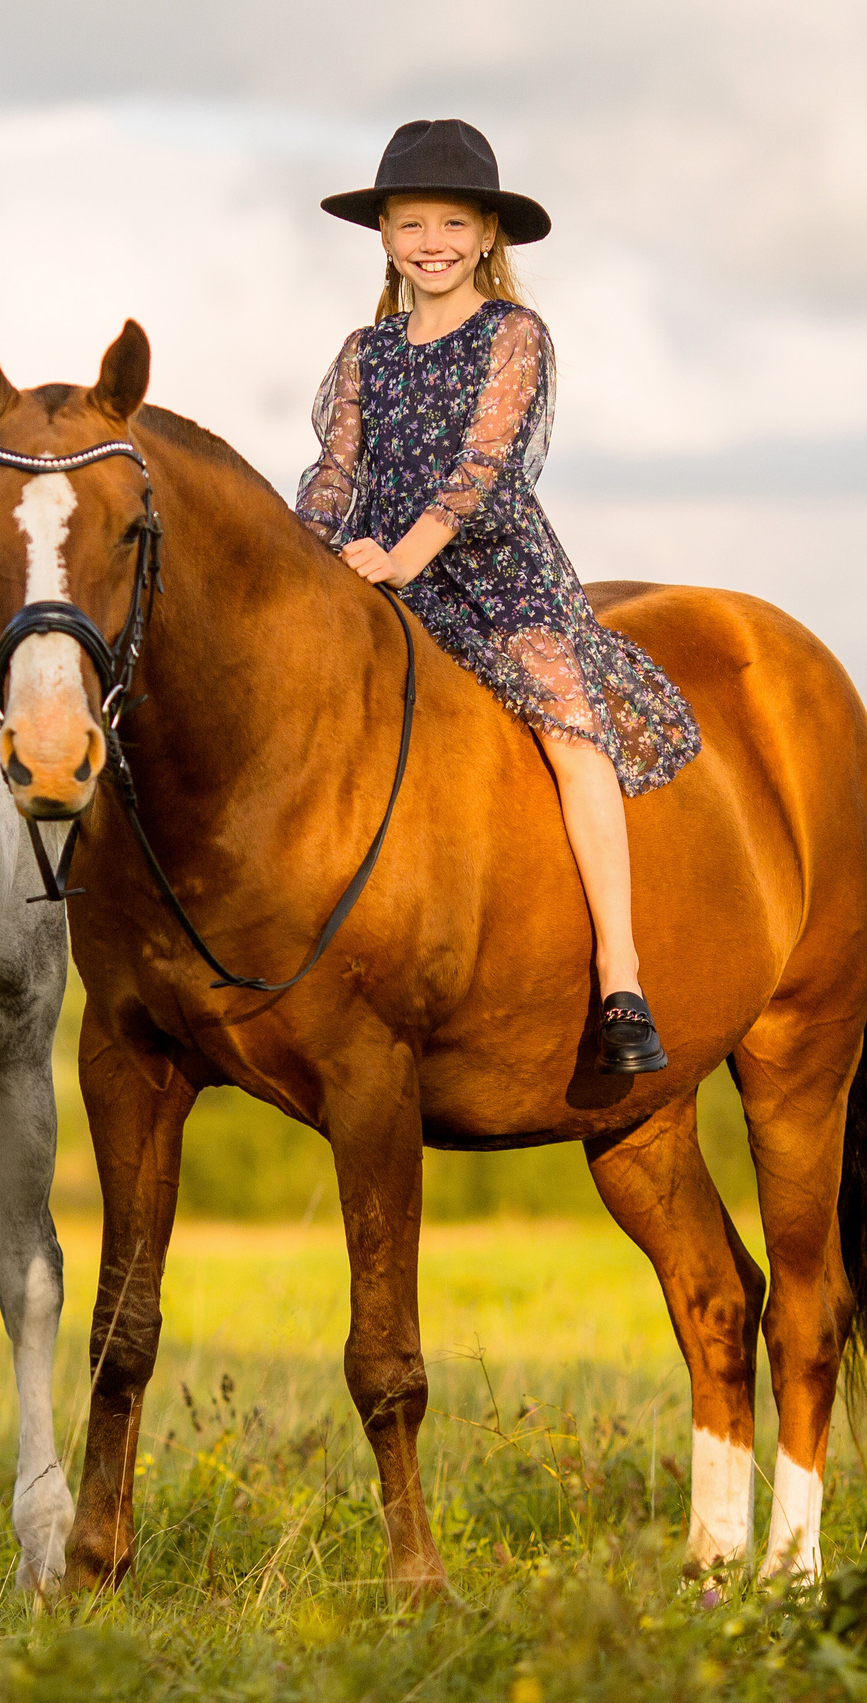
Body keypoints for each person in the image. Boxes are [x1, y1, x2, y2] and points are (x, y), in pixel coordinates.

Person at [295, 118, 701, 1074]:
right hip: (382, 572)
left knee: (569, 726)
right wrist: (303, 549)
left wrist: (405, 555)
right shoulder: (365, 351)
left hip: (495, 577)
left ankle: (621, 975)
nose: (431, 242)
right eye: (411, 224)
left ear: (487, 237)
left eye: (451, 223)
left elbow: (483, 468)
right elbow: (333, 469)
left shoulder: (513, 335)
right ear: (386, 238)